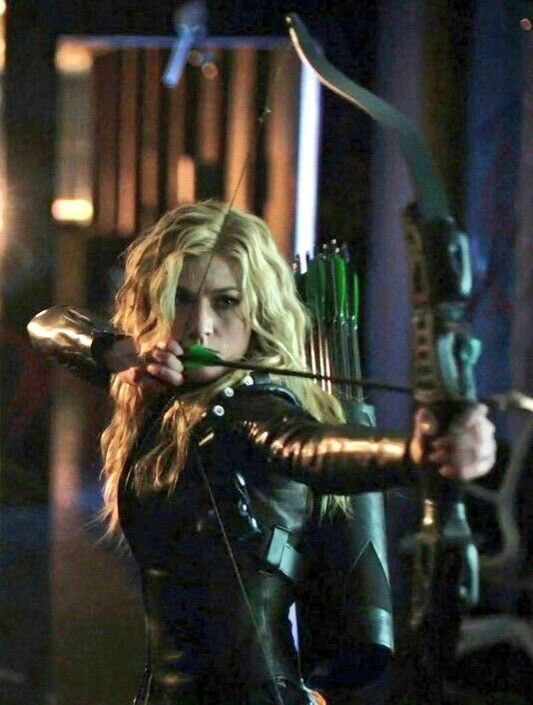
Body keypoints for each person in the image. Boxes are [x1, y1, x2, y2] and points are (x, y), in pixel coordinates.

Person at [28, 200, 496, 705]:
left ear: (257, 311)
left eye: (226, 302)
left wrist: (419, 453)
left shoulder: (252, 409)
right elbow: (46, 326)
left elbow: (310, 448)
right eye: (181, 299)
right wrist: (119, 352)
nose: (200, 325)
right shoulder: (162, 393)